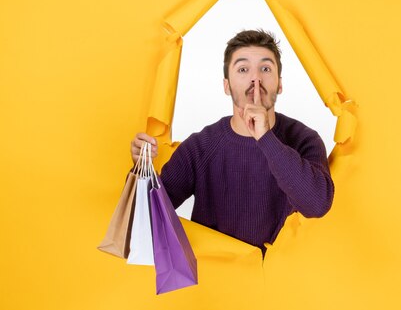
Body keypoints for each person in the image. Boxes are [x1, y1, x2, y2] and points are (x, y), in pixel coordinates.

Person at [130, 29, 334, 253]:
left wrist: (266, 138)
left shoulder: (305, 140)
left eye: (265, 69)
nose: (255, 78)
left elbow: (317, 204)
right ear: (226, 86)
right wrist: (142, 170)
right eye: (243, 69)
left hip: (282, 281)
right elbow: (146, 221)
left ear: (280, 84)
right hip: (217, 282)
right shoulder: (201, 147)